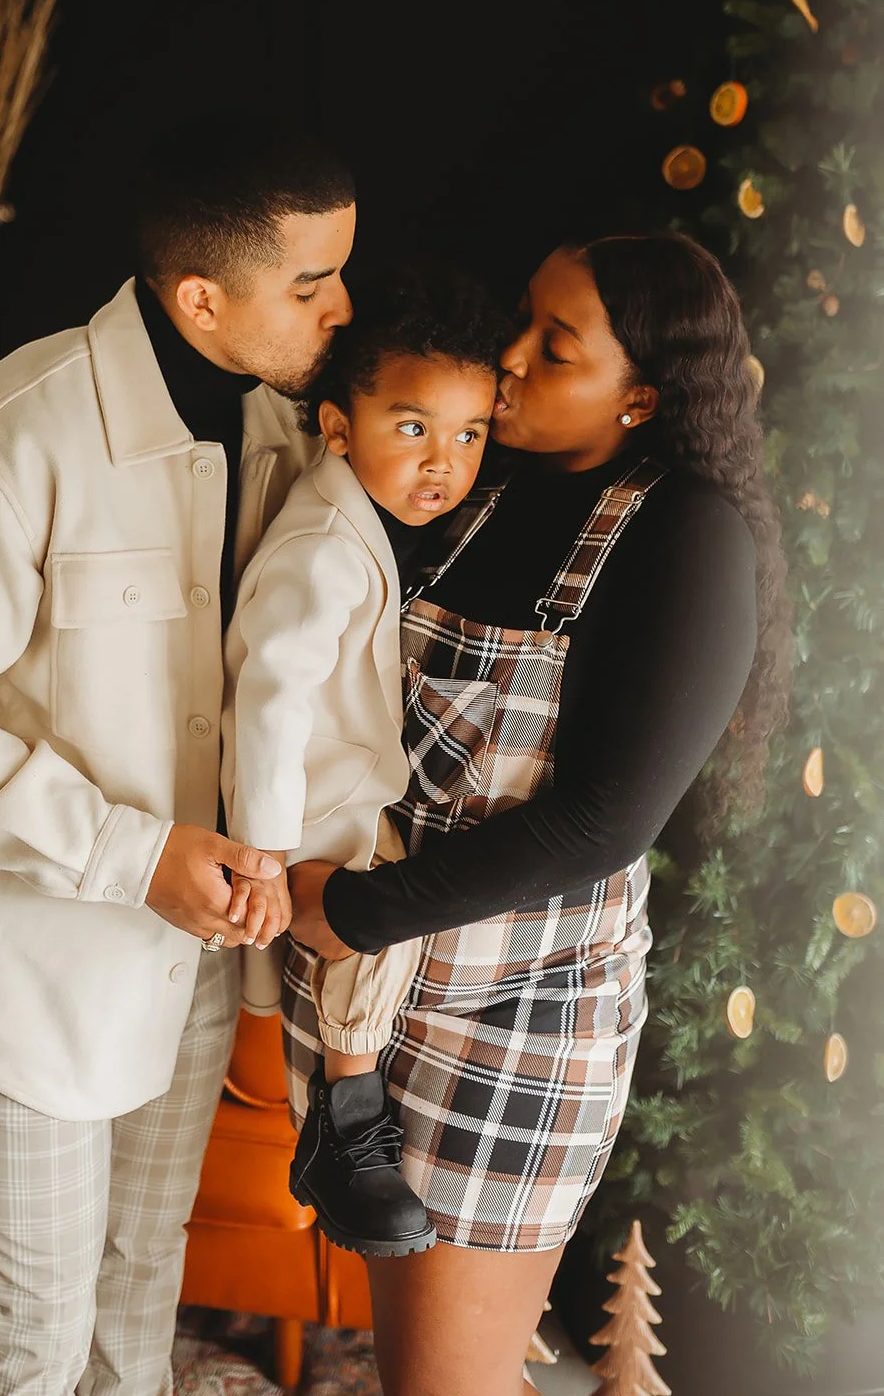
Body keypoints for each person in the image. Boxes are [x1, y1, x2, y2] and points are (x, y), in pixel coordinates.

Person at [0, 108, 355, 1396]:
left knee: (139, 1298)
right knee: (33, 1339)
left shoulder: (290, 439)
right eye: (311, 282)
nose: (344, 307)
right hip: (27, 974)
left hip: (183, 965)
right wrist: (134, 855)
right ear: (201, 296)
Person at [284, 231, 791, 1396]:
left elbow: (607, 819)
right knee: (410, 1358)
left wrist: (354, 909)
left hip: (519, 1016)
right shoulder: (474, 489)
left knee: (439, 1385)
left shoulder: (683, 532)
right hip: (378, 996)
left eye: (551, 346)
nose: (506, 358)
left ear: (640, 397)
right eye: (521, 320)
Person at [221, 263, 507, 1259]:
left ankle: (343, 1108)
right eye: (413, 427)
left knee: (394, 919)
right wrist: (260, 853)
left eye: (469, 433)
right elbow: (266, 697)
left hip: (342, 791)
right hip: (307, 809)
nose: (443, 461)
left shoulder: (363, 523)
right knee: (376, 916)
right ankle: (344, 1121)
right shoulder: (323, 546)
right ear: (338, 426)